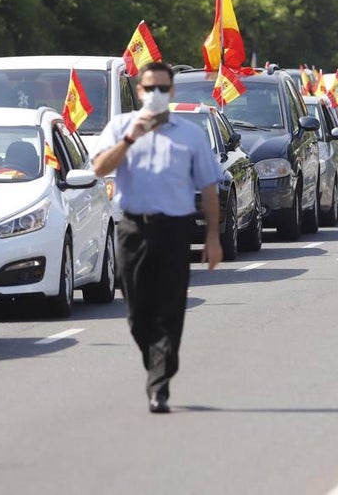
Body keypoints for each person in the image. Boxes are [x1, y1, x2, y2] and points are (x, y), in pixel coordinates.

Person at [91, 62, 222, 414]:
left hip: (175, 230)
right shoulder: (120, 127)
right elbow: (100, 168)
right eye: (150, 89)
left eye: (163, 89)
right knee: (138, 313)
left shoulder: (190, 134)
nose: (156, 95)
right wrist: (132, 136)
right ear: (139, 91)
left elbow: (209, 187)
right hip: (133, 228)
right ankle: (158, 360)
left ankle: (159, 382)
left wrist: (212, 236)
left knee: (170, 308)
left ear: (173, 92)